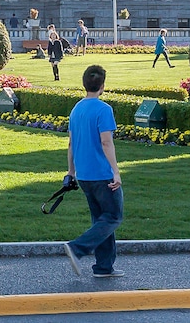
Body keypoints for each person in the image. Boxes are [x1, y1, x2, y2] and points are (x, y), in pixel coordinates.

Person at [62, 65, 124, 279]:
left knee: (101, 219)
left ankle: (104, 267)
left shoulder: (76, 109)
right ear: (103, 86)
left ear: (84, 84)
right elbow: (106, 142)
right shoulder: (103, 109)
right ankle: (77, 248)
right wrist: (116, 172)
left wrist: (71, 171)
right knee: (114, 216)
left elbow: (71, 144)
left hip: (84, 175)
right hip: (102, 174)